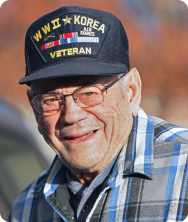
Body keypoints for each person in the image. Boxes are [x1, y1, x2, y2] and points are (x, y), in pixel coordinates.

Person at [8, 6, 188, 222]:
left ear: (131, 92)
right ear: (34, 108)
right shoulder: (26, 208)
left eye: (89, 93)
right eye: (50, 99)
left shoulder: (184, 172)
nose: (71, 116)